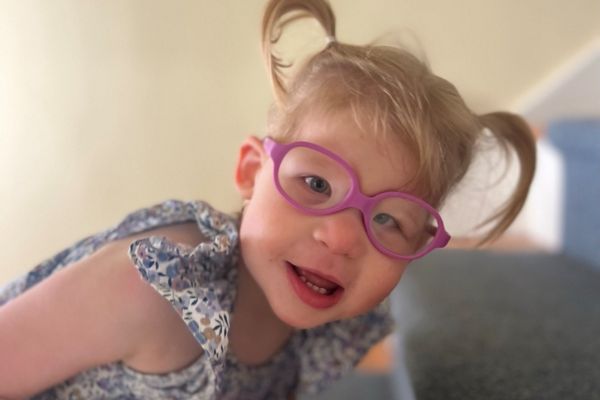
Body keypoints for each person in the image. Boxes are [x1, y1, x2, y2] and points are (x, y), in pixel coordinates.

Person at [0, 0, 536, 398]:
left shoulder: (311, 323)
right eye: (317, 185)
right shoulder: (155, 288)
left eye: (391, 220)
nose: (344, 237)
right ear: (252, 172)